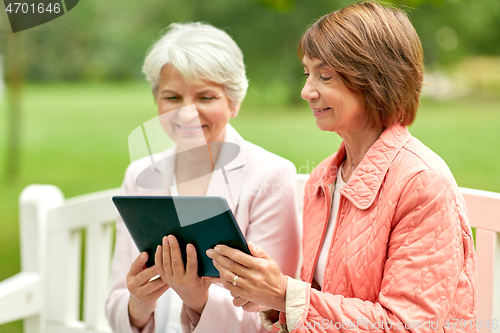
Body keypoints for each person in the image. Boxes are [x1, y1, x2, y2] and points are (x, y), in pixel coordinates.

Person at [207, 2, 478, 332]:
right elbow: (324, 298)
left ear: (377, 79)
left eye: (325, 76)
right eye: (307, 74)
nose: (307, 91)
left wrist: (285, 295)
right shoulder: (324, 178)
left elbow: (407, 326)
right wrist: (271, 299)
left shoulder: (422, 183)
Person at [106, 22, 301, 333]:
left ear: (233, 102)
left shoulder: (271, 176)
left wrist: (198, 301)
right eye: (172, 97)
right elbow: (117, 299)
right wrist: (139, 302)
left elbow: (272, 314)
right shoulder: (140, 175)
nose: (186, 113)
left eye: (206, 97)